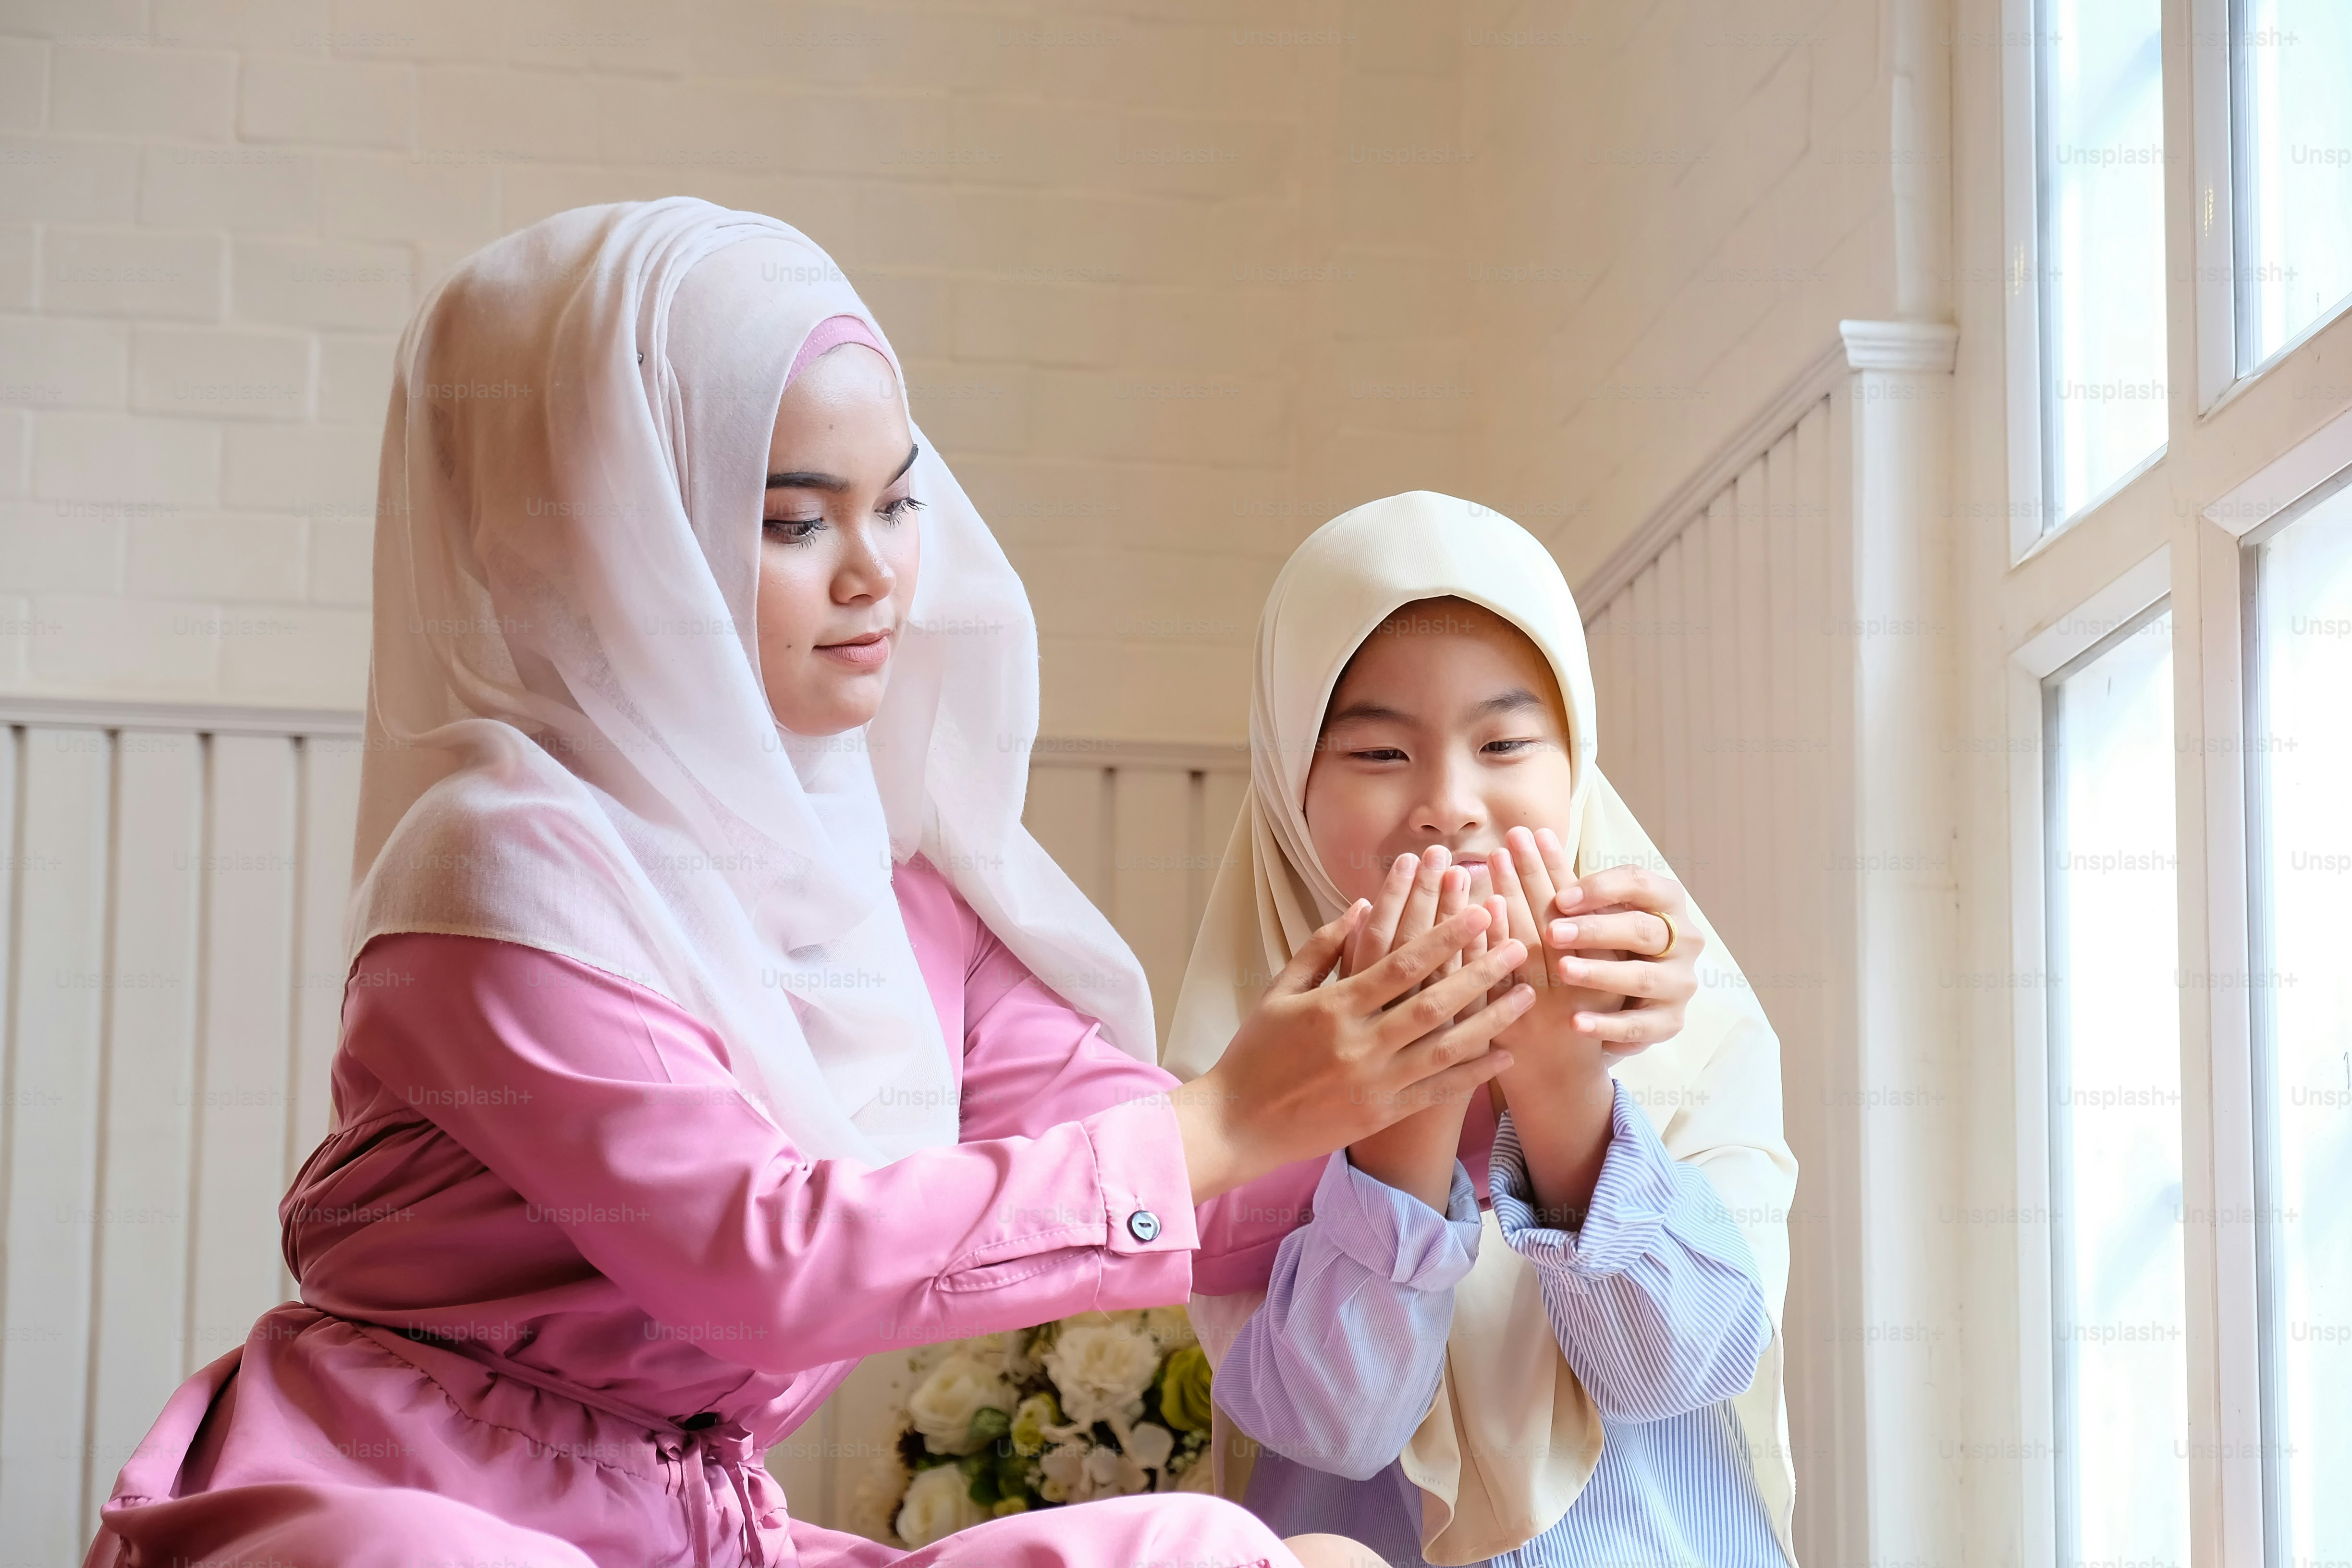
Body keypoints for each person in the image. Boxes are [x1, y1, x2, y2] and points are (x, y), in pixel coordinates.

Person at [80, 204, 1540, 1568]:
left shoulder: (899, 896)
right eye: (794, 521)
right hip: (403, 1505)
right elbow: (771, 1259)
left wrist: (1469, 1057)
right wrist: (1233, 1112)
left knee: (1206, 1552)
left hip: (692, 1532)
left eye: (898, 506)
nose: (878, 576)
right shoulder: (497, 866)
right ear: (597, 532)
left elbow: (1183, 1198)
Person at [1164, 493, 1800, 1567]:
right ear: (1288, 784)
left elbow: (1678, 1368)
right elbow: (1334, 1428)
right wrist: (1404, 1112)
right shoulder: (1230, 1078)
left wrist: (1563, 1089)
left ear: (1576, 760)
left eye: (1504, 741)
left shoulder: (1694, 1029)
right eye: (1378, 755)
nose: (1451, 804)